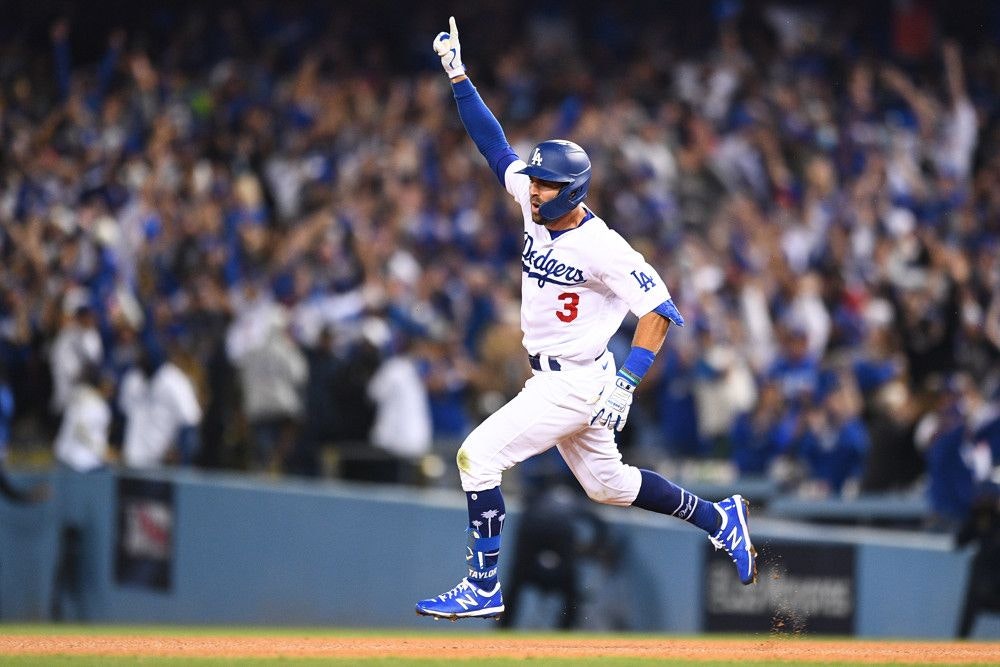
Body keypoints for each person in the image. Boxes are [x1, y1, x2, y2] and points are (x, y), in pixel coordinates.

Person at [415, 17, 757, 622]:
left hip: (575, 380)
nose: (534, 188)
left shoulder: (604, 248)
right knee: (609, 485)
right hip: (559, 373)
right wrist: (458, 75)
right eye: (537, 181)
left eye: (547, 184)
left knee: (476, 457)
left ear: (572, 191)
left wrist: (628, 382)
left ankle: (483, 585)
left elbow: (660, 312)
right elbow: (493, 145)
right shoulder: (532, 200)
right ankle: (717, 517)